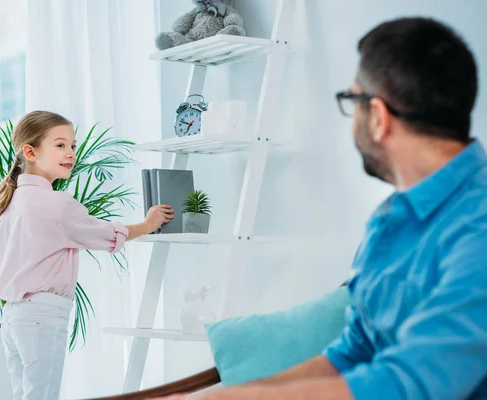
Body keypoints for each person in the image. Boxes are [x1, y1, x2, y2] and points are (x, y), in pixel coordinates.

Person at [157, 16, 487, 400]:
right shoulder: (391, 220)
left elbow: (413, 384)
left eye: (353, 100)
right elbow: (353, 351)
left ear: (378, 117)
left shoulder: (477, 228)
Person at [0, 110, 173, 400]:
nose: (71, 153)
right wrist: (148, 224)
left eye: (73, 145)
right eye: (60, 145)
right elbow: (104, 234)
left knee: (25, 394)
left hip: (12, 316)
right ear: (30, 151)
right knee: (43, 395)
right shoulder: (56, 204)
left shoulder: (9, 204)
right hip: (43, 314)